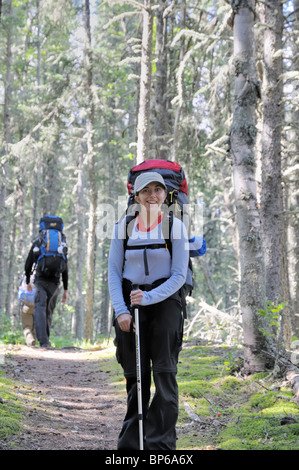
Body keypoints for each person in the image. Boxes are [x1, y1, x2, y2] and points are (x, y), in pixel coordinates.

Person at [108, 171, 189, 450]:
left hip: (165, 303)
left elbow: (178, 276)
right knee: (135, 377)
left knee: (164, 373)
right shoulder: (123, 227)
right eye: (146, 191)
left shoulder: (174, 227)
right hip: (130, 304)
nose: (152, 195)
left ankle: (161, 445)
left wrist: (150, 297)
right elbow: (113, 273)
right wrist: (122, 311)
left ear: (165, 195)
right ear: (136, 196)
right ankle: (131, 447)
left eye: (158, 190)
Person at [24, 217, 68, 348]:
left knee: (40, 309)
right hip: (55, 282)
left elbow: (28, 264)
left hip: (40, 280)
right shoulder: (61, 245)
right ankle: (45, 341)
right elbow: (65, 267)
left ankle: (44, 342)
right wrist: (66, 288)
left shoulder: (38, 243)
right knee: (48, 311)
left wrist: (28, 280)